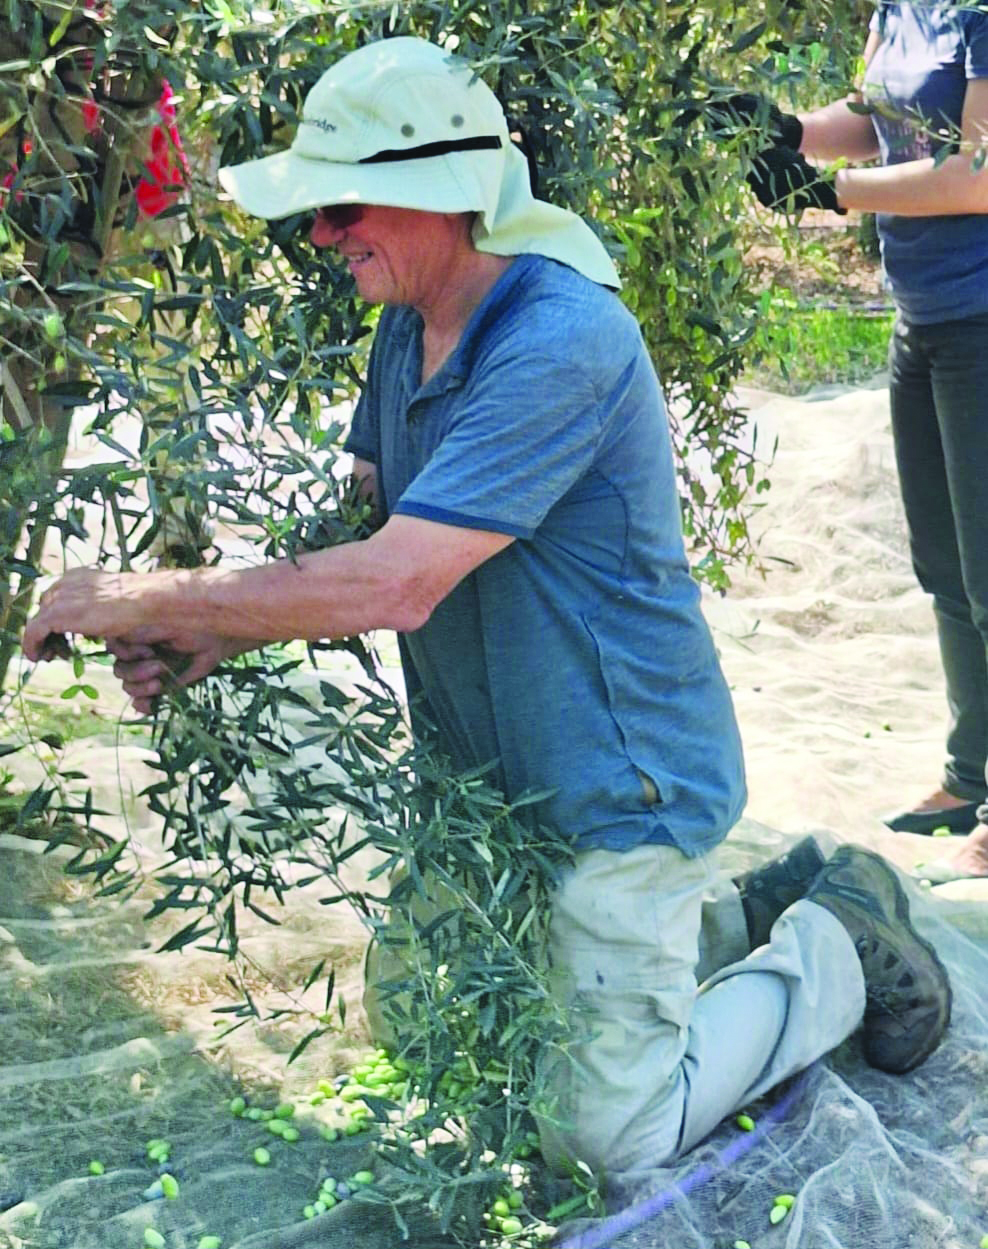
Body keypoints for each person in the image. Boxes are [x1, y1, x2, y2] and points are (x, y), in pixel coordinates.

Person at [22, 36, 951, 1186]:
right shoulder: (407, 327)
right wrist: (215, 626)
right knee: (424, 1030)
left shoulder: (559, 340)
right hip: (486, 782)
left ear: (449, 190)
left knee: (606, 1136)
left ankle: (834, 945)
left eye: (344, 204)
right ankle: (738, 913)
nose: (320, 237)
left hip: (620, 785)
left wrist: (146, 593)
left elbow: (396, 579)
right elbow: (355, 534)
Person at [714, 1, 988, 883]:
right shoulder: (900, 5)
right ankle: (967, 776)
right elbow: (878, 121)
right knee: (945, 568)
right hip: (925, 316)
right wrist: (790, 132)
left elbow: (978, 171)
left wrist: (824, 194)